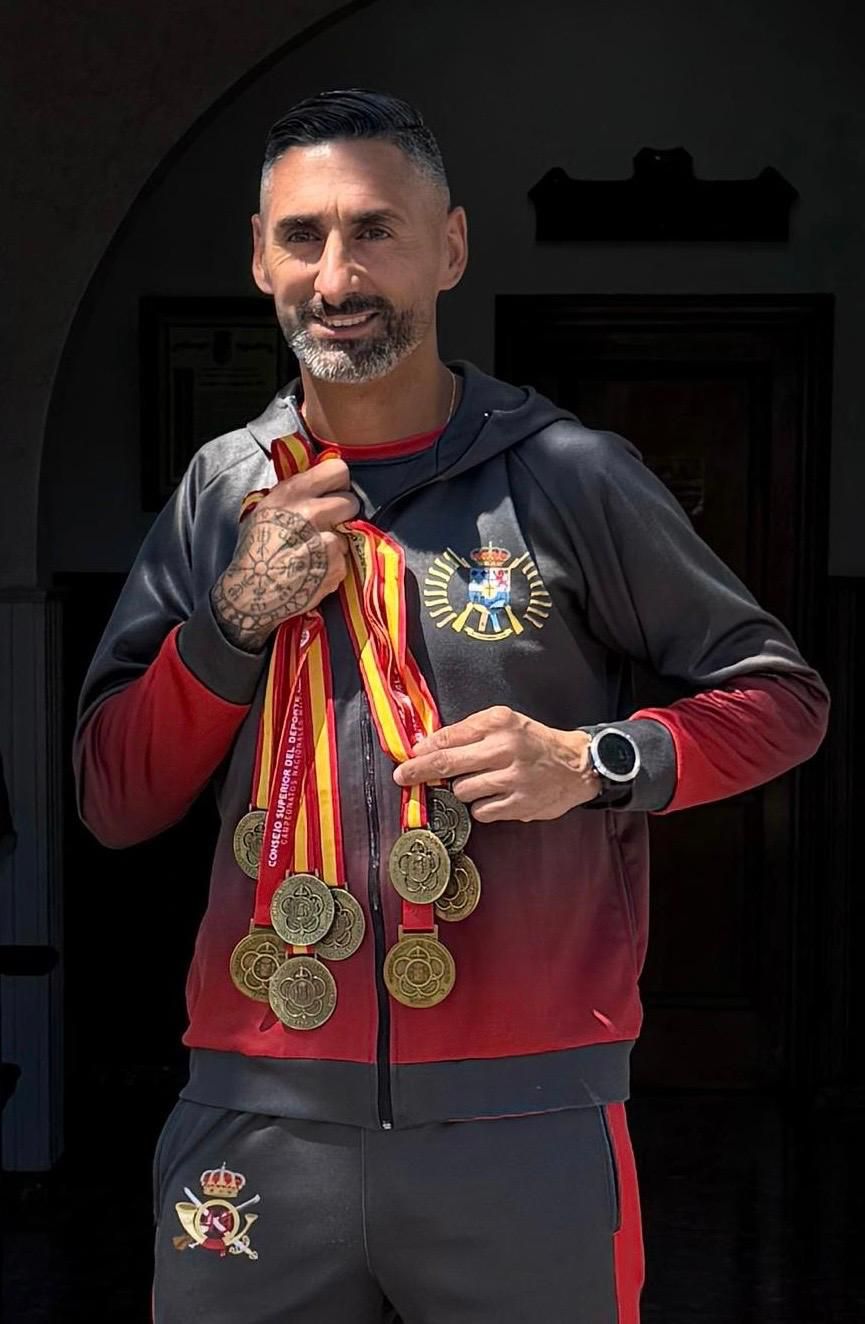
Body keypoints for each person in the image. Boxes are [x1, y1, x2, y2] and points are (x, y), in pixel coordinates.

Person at [73, 88, 830, 1324]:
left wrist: (594, 757)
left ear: (452, 247)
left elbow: (781, 698)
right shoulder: (222, 492)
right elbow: (113, 794)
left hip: (523, 1117)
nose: (337, 273)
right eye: (304, 235)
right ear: (258, 255)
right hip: (259, 1114)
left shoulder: (566, 473)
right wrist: (234, 617)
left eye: (375, 230)